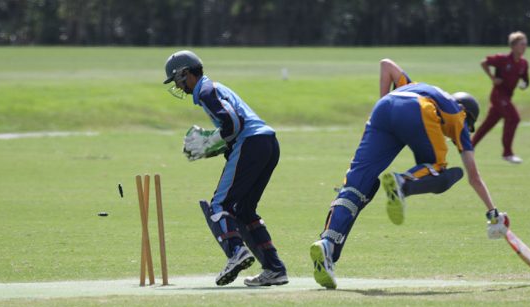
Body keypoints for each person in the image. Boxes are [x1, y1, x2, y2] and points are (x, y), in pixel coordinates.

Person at [310, 58, 509, 289]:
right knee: (439, 167)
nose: (449, 137)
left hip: (383, 110)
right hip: (419, 109)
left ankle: (327, 244)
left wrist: (382, 99)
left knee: (356, 185)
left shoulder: (414, 84)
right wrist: (493, 214)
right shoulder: (459, 117)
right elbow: (474, 176)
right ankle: (403, 181)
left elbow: (386, 65)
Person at [163, 50, 288, 287]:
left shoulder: (205, 91)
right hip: (268, 143)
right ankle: (274, 268)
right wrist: (216, 146)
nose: (178, 87)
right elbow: (233, 126)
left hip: (251, 143)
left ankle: (236, 252)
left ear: (186, 73)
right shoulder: (215, 88)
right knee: (244, 210)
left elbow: (233, 122)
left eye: (177, 80)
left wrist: (211, 141)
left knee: (220, 205)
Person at [472, 31, 530, 164]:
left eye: (525, 44)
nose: (524, 47)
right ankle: (507, 153)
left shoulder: (523, 63)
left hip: (507, 97)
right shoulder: (502, 59)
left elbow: (526, 80)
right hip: (498, 96)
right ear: (513, 46)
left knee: (488, 123)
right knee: (514, 118)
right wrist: (492, 78)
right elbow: (484, 62)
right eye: (522, 44)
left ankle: (468, 146)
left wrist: (524, 85)